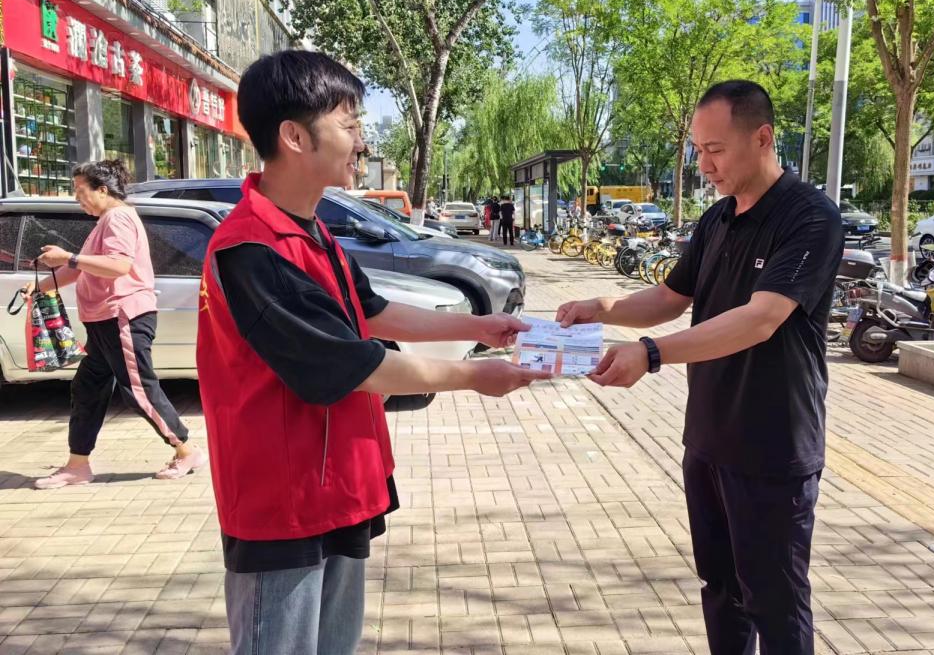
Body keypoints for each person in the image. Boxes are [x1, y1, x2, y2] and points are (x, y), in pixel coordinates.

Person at [197, 50, 540, 655]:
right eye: (350, 124)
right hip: (284, 499)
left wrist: (481, 326)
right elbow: (354, 364)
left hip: (336, 483)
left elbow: (372, 311)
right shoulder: (252, 250)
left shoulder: (311, 231)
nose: (361, 141)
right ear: (294, 136)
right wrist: (473, 376)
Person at [557, 80, 843, 654]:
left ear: (762, 138)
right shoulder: (717, 219)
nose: (704, 164)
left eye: (715, 150)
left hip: (772, 448)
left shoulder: (810, 218)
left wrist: (652, 354)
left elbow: (760, 319)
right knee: (722, 589)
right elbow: (670, 297)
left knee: (776, 602)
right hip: (709, 440)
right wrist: (603, 307)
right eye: (697, 150)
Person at [27, 160, 205, 489]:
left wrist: (68, 256)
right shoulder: (106, 222)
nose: (77, 198)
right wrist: (41, 286)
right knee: (87, 389)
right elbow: (83, 269)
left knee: (138, 390)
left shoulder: (118, 218)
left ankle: (186, 450)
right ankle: (77, 465)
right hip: (103, 321)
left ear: (102, 190)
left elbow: (118, 266)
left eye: (80, 191)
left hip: (122, 317)